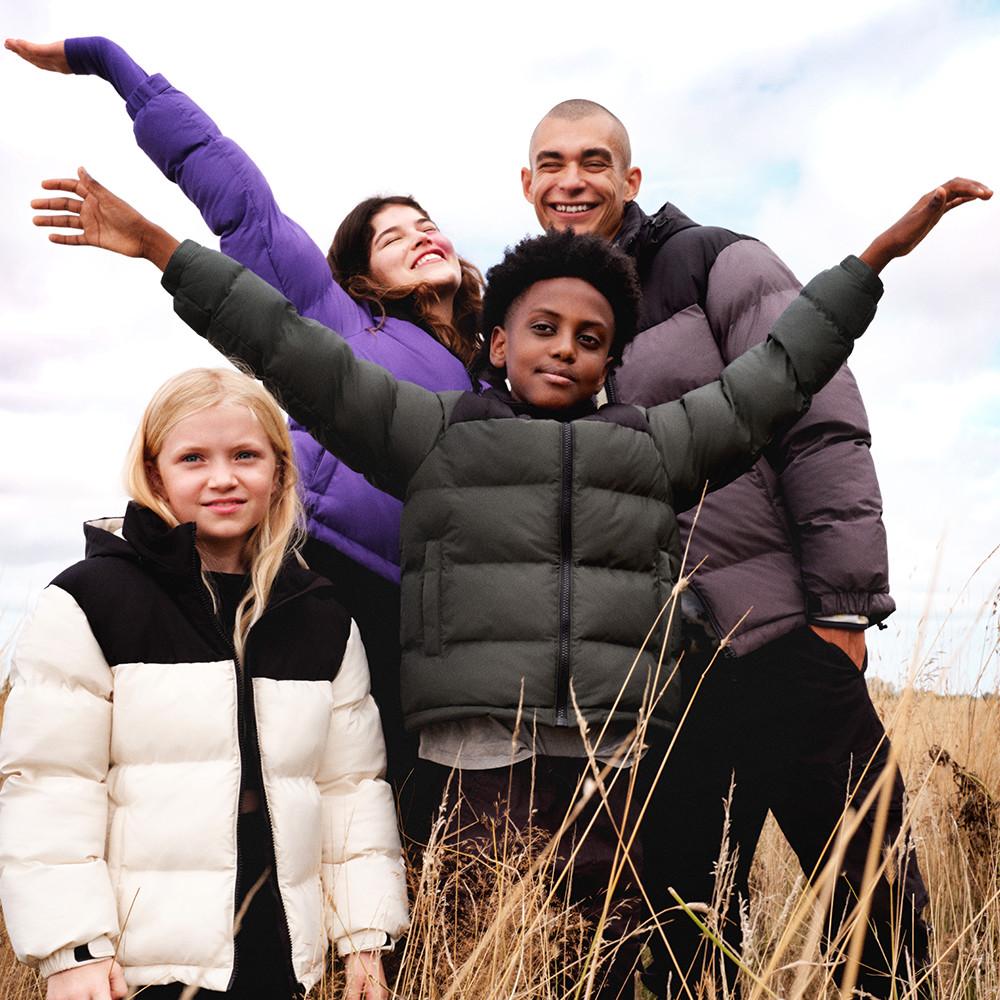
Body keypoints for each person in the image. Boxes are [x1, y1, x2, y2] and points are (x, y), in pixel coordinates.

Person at [28, 167, 988, 996]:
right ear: (496, 342)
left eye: (590, 336)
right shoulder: (435, 437)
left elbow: (779, 374)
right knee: (470, 961)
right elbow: (290, 350)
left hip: (611, 773)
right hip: (473, 773)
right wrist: (161, 249)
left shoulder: (655, 448)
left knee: (608, 963)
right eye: (543, 327)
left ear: (613, 361)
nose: (565, 346)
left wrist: (876, 260)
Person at [520, 100, 959, 995]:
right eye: (553, 164)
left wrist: (838, 611)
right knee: (690, 937)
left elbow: (820, 419)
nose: (573, 180)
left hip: (781, 642)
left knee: (875, 908)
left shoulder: (716, 260)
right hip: (658, 687)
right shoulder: (536, 314)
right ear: (527, 186)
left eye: (595, 161)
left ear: (630, 180)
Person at [5, 35, 485, 794]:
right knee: (309, 776)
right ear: (362, 272)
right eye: (394, 235)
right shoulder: (336, 312)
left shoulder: (497, 367)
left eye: (427, 225)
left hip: (443, 611)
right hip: (331, 572)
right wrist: (119, 70)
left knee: (421, 797)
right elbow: (240, 202)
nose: (422, 235)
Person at [0, 368, 410, 1000]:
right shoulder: (92, 600)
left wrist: (362, 939)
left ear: (278, 470)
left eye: (246, 455)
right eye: (194, 457)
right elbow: (49, 783)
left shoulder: (320, 613)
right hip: (140, 965)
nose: (223, 477)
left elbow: (350, 791)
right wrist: (71, 948)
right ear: (156, 471)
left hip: (281, 946)